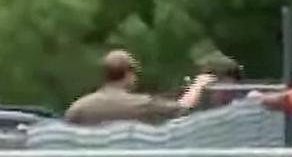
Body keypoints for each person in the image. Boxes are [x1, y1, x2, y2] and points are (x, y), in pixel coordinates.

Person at [65, 51, 212, 125]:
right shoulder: (142, 104)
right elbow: (182, 107)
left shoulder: (79, 107)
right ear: (128, 74)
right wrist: (198, 84)